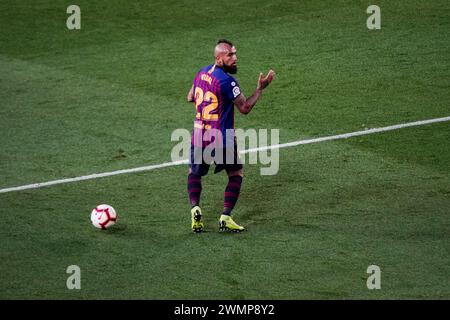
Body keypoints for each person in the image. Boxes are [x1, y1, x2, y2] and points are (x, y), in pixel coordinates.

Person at [186, 39, 275, 232]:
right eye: (230, 55)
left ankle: (195, 209)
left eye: (235, 54)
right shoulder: (227, 81)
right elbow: (244, 107)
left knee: (194, 173)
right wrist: (260, 89)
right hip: (221, 138)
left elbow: (190, 97)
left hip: (199, 135)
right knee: (236, 173)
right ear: (219, 59)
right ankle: (225, 217)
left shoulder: (201, 72)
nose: (235, 58)